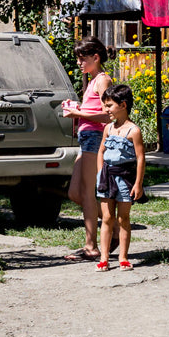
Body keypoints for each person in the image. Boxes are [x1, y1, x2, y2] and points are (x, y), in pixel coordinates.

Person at [61, 36, 112, 261]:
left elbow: (107, 114)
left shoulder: (103, 80)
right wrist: (78, 109)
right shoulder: (91, 80)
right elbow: (93, 111)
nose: (79, 63)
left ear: (96, 57)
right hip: (85, 139)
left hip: (94, 139)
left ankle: (91, 246)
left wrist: (77, 113)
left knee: (88, 193)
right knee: (75, 192)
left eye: (83, 59)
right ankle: (114, 226)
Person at [94, 83, 144, 272]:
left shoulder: (134, 131)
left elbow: (140, 158)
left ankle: (123, 257)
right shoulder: (108, 129)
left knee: (123, 218)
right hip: (107, 178)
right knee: (106, 217)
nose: (105, 109)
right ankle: (104, 258)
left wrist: (138, 184)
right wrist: (100, 173)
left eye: (109, 106)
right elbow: (101, 151)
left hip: (125, 179)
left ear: (123, 105)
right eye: (105, 105)